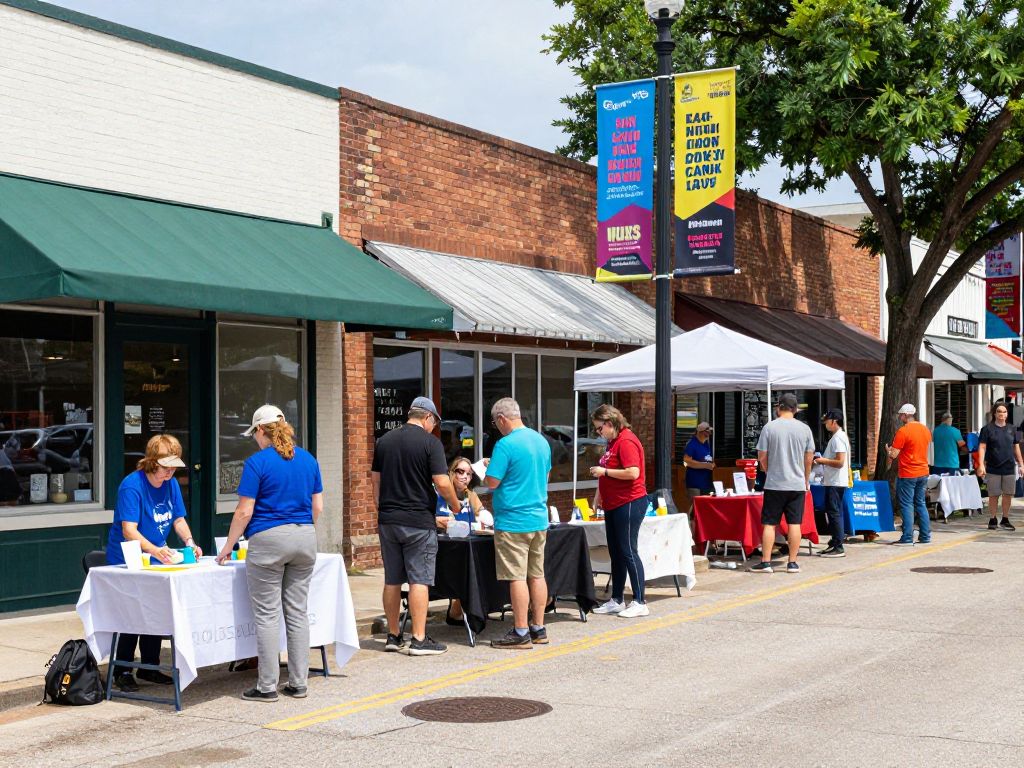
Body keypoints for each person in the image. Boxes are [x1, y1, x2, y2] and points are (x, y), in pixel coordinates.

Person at [215, 405, 323, 703]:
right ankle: (299, 683)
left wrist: (228, 547)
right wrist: (300, 530)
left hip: (268, 538)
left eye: (255, 434)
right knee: (297, 612)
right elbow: (318, 508)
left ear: (262, 431)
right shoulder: (308, 459)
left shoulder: (257, 462)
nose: (255, 440)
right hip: (304, 536)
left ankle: (266, 686)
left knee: (266, 615)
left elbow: (244, 511)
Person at [106, 434, 199, 693]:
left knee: (154, 610)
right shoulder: (132, 486)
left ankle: (149, 666)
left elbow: (178, 519)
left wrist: (190, 542)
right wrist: (156, 550)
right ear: (152, 461)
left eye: (174, 465)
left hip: (156, 556)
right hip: (126, 559)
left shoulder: (171, 484)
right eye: (165, 465)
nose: (170, 470)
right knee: (131, 614)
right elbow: (129, 530)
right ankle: (122, 669)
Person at [372, 396, 462, 657]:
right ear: (428, 418)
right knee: (418, 579)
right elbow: (442, 482)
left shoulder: (384, 441)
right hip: (417, 521)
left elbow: (375, 481)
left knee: (391, 579)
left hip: (388, 519)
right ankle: (419, 639)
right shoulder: (430, 443)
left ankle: (393, 635)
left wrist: (382, 507)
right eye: (434, 423)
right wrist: (455, 505)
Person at [484, 397, 552, 648]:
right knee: (537, 574)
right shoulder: (541, 441)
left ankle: (521, 631)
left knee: (516, 577)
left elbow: (492, 482)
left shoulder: (505, 444)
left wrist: (488, 467)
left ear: (502, 418)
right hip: (538, 517)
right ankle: (539, 627)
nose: (496, 426)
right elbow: (545, 475)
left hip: (513, 520)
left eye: (495, 422)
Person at [589, 404, 650, 618]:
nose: (598, 433)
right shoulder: (612, 442)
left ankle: (640, 600)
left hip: (630, 501)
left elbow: (633, 473)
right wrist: (599, 494)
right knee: (615, 551)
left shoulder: (626, 440)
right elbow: (606, 475)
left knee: (628, 550)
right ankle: (616, 599)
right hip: (614, 502)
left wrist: (604, 471)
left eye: (599, 428)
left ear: (609, 423)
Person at [752, 393, 814, 574]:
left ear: (778, 407)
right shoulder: (805, 429)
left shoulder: (769, 427)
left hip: (774, 483)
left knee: (770, 524)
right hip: (796, 483)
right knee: (795, 523)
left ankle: (766, 562)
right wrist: (805, 479)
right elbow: (809, 458)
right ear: (795, 410)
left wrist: (768, 469)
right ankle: (792, 562)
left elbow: (761, 456)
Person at [438, 456, 483, 626]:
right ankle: (459, 609)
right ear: (451, 473)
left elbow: (482, 515)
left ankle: (467, 609)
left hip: (468, 545)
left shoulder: (470, 494)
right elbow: (437, 519)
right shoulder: (441, 492)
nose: (465, 476)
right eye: (460, 471)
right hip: (447, 548)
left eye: (469, 474)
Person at [886, 403, 932, 545]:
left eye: (901, 415)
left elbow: (894, 454)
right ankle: (925, 536)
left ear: (906, 415)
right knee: (920, 503)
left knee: (906, 504)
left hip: (908, 472)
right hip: (923, 471)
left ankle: (907, 537)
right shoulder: (925, 429)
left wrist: (888, 451)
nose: (900, 417)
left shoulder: (903, 431)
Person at [977, 402, 1024, 531]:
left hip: (1009, 467)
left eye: (1004, 412)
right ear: (994, 413)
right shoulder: (986, 429)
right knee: (993, 495)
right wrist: (981, 464)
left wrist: (1021, 464)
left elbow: (1017, 447)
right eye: (999, 411)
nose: (1001, 414)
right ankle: (992, 518)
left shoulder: (1015, 429)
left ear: (1007, 414)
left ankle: (1005, 519)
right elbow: (981, 447)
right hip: (993, 467)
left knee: (1008, 494)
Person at [813, 409, 850, 558]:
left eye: (827, 421)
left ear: (834, 421)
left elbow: (840, 462)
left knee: (834, 513)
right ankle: (834, 542)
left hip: (835, 482)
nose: (825, 424)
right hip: (833, 481)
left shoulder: (838, 438)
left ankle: (838, 546)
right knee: (834, 512)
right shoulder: (837, 437)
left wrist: (821, 460)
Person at [683, 422, 715, 506]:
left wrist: (712, 464)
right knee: (695, 508)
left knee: (705, 508)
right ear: (700, 432)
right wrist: (705, 465)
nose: (709, 434)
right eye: (707, 431)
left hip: (707, 483)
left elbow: (707, 459)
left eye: (710, 431)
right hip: (695, 484)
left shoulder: (706, 444)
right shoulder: (692, 444)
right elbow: (686, 462)